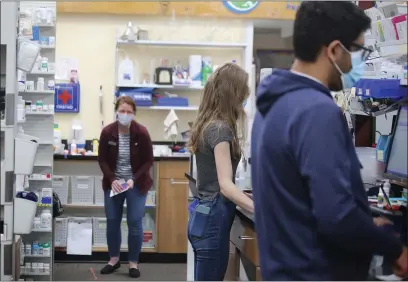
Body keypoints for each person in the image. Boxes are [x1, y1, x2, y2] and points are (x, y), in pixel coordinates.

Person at [251, 2, 408, 281]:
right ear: (335, 50)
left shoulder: (272, 103)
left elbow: (305, 203)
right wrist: (392, 246)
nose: (356, 61)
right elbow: (337, 218)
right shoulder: (316, 111)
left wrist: (366, 222)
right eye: (358, 50)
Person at [187, 62, 254, 281]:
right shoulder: (221, 129)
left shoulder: (208, 124)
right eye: (243, 93)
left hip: (201, 216)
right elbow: (225, 186)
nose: (245, 99)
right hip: (213, 222)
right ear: (233, 93)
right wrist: (259, 208)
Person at [98, 96, 154, 278]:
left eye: (129, 112)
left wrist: (134, 179)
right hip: (114, 183)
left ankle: (133, 263)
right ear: (116, 111)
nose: (125, 114)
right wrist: (112, 178)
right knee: (112, 221)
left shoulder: (142, 133)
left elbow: (148, 161)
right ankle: (113, 260)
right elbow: (102, 160)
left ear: (134, 114)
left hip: (135, 184)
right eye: (122, 111)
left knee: (134, 222)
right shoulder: (107, 132)